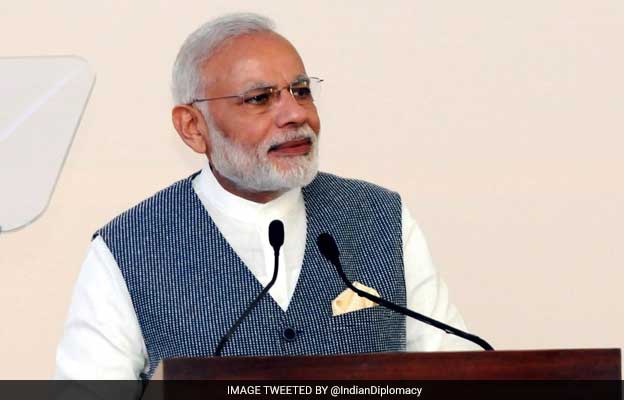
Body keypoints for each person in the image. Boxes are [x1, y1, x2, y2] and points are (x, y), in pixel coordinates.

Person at [55, 13, 476, 380]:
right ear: (193, 127)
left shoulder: (380, 217)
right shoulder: (127, 247)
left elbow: (456, 372)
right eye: (259, 99)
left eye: (301, 90)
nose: (295, 114)